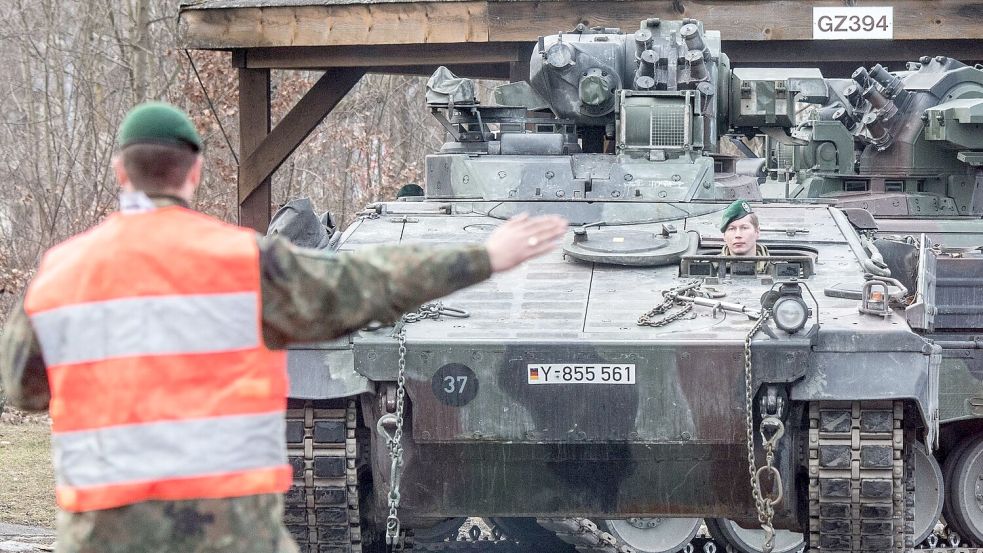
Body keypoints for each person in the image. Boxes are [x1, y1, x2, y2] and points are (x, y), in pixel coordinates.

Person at [0, 102, 567, 553]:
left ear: (122, 171)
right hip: (227, 527)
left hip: (103, 528)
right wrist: (483, 258)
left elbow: (22, 390)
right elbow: (365, 280)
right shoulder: (243, 262)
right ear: (193, 172)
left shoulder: (59, 274)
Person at [719, 199, 770, 273]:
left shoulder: (778, 269)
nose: (738, 235)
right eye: (731, 229)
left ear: (757, 232)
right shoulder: (711, 269)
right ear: (724, 236)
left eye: (744, 228)